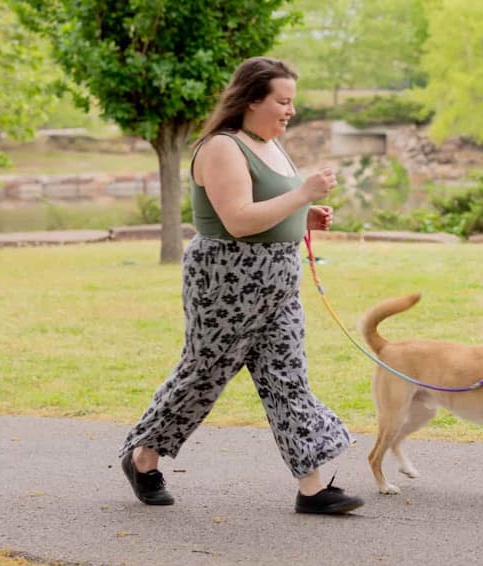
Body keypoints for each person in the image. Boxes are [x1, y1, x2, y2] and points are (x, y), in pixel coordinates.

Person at [118, 57, 363, 515]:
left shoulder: (270, 144)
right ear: (252, 100)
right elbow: (237, 218)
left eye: (292, 102)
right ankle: (143, 457)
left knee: (288, 378)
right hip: (227, 280)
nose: (290, 111)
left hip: (278, 281)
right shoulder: (221, 148)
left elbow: (267, 205)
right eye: (282, 101)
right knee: (204, 374)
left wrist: (301, 216)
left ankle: (313, 489)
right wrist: (303, 194)